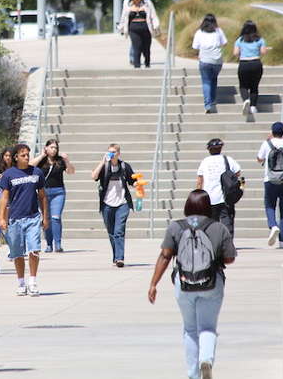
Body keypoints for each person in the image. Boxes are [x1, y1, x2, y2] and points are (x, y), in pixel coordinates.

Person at [148, 190, 236, 379]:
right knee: (207, 327)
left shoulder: (175, 227)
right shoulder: (219, 228)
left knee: (190, 329)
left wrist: (153, 284)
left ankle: (193, 375)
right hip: (212, 284)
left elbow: (165, 256)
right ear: (208, 206)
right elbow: (230, 258)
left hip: (184, 283)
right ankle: (206, 360)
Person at [0, 144, 49, 296]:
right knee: (17, 253)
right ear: (16, 157)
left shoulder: (37, 172)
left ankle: (32, 281)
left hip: (33, 217)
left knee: (34, 250)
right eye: (23, 155)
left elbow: (42, 196)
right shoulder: (9, 175)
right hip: (15, 219)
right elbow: (4, 198)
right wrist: (1, 217)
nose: (26, 157)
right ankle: (21, 282)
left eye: (28, 154)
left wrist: (45, 217)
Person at [91, 143, 137, 267]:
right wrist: (102, 162)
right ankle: (115, 256)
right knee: (111, 232)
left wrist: (138, 185)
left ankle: (120, 258)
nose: (111, 154)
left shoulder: (124, 166)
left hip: (122, 203)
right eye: (109, 152)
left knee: (119, 231)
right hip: (107, 204)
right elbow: (94, 176)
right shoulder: (105, 166)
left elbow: (133, 181)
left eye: (114, 152)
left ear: (119, 153)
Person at [30, 139, 75, 253]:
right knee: (46, 218)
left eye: (55, 147)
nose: (54, 150)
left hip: (58, 192)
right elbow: (29, 166)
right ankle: (49, 244)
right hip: (43, 193)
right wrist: (41, 155)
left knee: (56, 217)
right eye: (51, 147)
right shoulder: (41, 160)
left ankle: (58, 244)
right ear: (46, 148)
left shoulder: (60, 160)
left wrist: (67, 160)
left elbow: (71, 171)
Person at [256, 122, 283, 248]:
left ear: (272, 132)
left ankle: (273, 225)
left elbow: (259, 158)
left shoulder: (267, 144)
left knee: (269, 205)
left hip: (270, 179)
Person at [196, 139, 242, 237]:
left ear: (209, 150)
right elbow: (238, 172)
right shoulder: (227, 159)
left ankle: (213, 243)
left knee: (211, 222)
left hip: (209, 198)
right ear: (221, 149)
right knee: (227, 221)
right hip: (225, 197)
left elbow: (200, 180)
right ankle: (227, 243)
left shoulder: (205, 161)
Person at [192, 14, 227, 113]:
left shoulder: (199, 32)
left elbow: (195, 47)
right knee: (214, 78)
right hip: (217, 61)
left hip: (205, 60)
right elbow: (224, 43)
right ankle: (213, 100)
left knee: (206, 82)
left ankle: (208, 105)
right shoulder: (218, 31)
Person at [233, 20, 270, 115]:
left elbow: (236, 53)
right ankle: (253, 106)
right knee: (254, 86)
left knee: (243, 85)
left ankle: (246, 100)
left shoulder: (240, 40)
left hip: (244, 64)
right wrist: (266, 49)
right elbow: (263, 52)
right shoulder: (260, 40)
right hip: (256, 63)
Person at [122, 0, 159, 65]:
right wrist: (122, 27)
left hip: (145, 27)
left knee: (146, 48)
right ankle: (135, 62)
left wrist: (156, 25)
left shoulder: (147, 0)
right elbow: (124, 13)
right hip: (133, 27)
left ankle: (146, 62)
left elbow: (152, 13)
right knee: (136, 46)